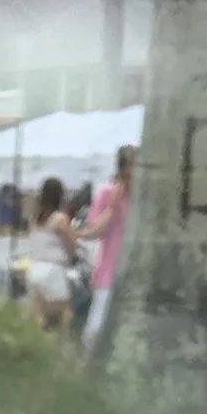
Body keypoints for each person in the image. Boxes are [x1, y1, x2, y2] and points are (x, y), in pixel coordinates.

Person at [78, 144, 137, 360]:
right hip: (110, 269)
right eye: (130, 166)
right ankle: (86, 363)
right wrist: (113, 206)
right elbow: (95, 231)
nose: (133, 172)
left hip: (135, 272)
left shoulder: (144, 197)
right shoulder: (107, 193)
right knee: (96, 327)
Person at [22, 174, 77, 336]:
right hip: (53, 270)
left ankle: (39, 342)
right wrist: (73, 253)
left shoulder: (34, 218)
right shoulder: (60, 219)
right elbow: (72, 243)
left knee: (39, 314)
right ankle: (60, 343)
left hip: (34, 268)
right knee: (64, 313)